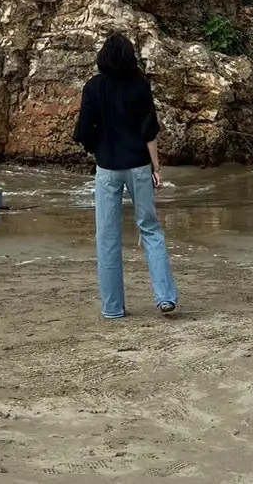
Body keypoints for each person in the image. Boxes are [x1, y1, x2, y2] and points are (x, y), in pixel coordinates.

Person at [72, 33, 179, 321]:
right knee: (150, 229)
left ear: (103, 59)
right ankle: (165, 297)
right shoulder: (139, 85)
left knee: (107, 237)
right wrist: (157, 168)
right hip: (138, 166)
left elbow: (83, 131)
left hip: (107, 168)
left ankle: (113, 307)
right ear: (130, 58)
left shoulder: (93, 88)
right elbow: (149, 131)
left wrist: (99, 149)